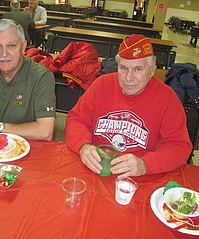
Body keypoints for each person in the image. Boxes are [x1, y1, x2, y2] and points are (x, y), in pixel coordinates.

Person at [65, 34, 192, 177]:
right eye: (123, 68)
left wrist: (145, 165)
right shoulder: (101, 85)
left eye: (138, 69)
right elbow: (76, 119)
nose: (129, 78)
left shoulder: (168, 99)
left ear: (152, 70)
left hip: (138, 177)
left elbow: (179, 146)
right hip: (95, 169)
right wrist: (83, 146)